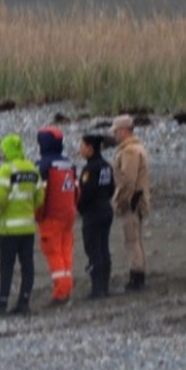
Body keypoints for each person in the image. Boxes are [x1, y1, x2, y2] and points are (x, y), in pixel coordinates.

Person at [0, 133, 45, 316]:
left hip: (9, 228)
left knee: (7, 266)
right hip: (27, 227)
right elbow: (40, 198)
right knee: (27, 265)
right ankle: (24, 301)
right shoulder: (33, 169)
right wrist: (28, 208)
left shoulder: (6, 170)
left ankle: (2, 303)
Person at [36, 127, 78, 306]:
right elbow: (76, 191)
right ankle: (66, 289)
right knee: (65, 251)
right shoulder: (69, 165)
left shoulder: (43, 166)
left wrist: (38, 215)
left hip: (51, 216)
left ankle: (61, 293)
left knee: (54, 253)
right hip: (68, 215)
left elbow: (40, 195)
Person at [110, 115, 151, 292]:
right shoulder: (136, 148)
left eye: (116, 131)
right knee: (135, 239)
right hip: (137, 199)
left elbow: (128, 181)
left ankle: (136, 277)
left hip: (132, 201)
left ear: (123, 131)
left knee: (132, 239)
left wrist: (121, 201)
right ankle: (138, 274)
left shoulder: (130, 151)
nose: (114, 135)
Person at [78, 133, 116, 299]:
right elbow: (112, 188)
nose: (80, 149)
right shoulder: (106, 166)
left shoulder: (90, 169)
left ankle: (97, 288)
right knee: (103, 248)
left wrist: (80, 207)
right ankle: (104, 286)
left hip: (93, 212)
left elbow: (86, 193)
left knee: (93, 250)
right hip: (106, 209)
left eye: (82, 146)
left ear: (90, 148)